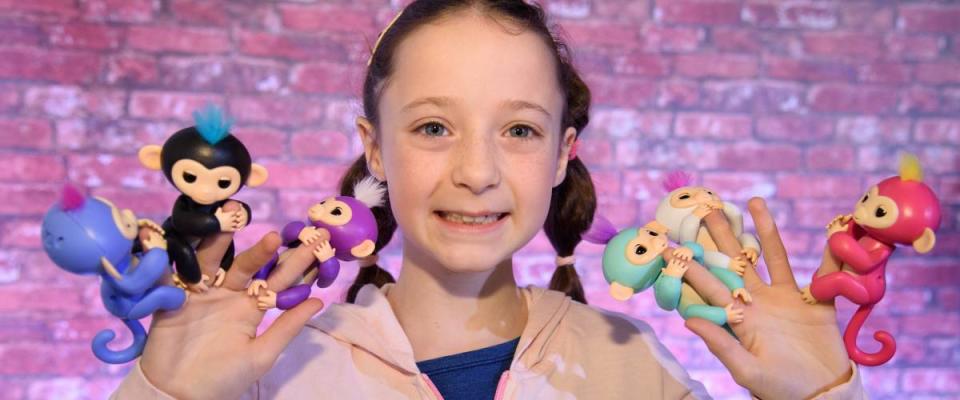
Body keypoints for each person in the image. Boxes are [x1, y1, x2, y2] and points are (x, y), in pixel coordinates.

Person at [112, 1, 866, 398]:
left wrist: (822, 397)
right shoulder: (267, 376)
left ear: (561, 153)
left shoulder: (635, 373)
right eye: (434, 126)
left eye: (518, 129)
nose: (477, 171)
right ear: (375, 146)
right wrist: (163, 396)